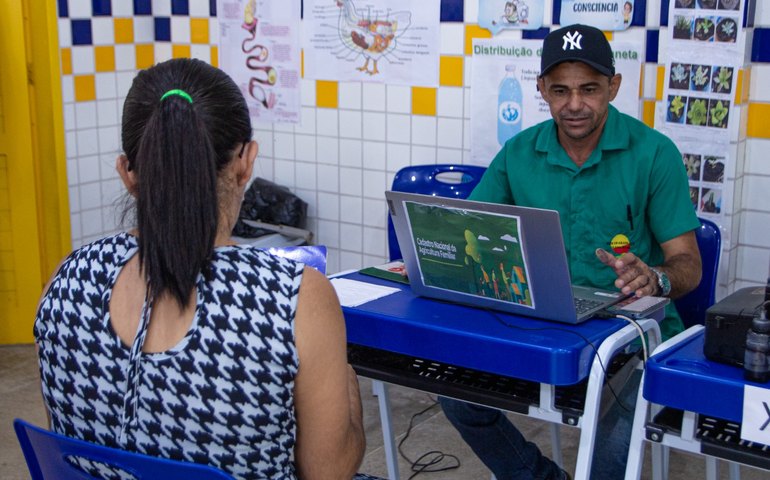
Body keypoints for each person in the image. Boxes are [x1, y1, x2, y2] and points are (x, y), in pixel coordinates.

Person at [34, 58, 366, 480]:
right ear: (246, 161)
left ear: (128, 173)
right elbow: (329, 472)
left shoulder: (67, 282)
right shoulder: (295, 298)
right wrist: (348, 389)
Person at [439, 24, 702, 479]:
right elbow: (471, 232)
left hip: (633, 338)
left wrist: (655, 278)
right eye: (560, 90)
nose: (574, 104)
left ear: (613, 87)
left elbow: (689, 266)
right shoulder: (518, 153)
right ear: (541, 89)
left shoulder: (654, 153)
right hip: (543, 324)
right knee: (452, 388)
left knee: (604, 460)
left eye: (589, 89)